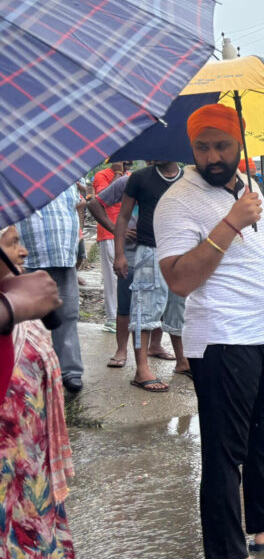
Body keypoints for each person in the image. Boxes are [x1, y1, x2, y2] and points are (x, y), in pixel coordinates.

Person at [156, 103, 264, 559]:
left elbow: (263, 264)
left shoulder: (250, 186)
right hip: (223, 340)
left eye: (222, 145)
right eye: (203, 146)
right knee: (225, 453)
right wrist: (231, 223)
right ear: (191, 147)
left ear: (240, 141)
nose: (213, 155)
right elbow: (180, 279)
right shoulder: (178, 201)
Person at [0, 224, 76, 559]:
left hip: (27, 504)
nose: (25, 250)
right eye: (12, 242)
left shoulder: (27, 319)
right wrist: (10, 306)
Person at [114, 160, 188, 391]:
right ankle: (141, 369)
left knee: (180, 306)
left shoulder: (188, 178)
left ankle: (182, 361)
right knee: (144, 308)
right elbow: (124, 216)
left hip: (181, 250)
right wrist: (119, 255)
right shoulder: (140, 177)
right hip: (149, 250)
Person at [14, 187, 84, 394]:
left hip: (62, 256)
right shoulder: (17, 182)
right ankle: (26, 371)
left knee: (68, 314)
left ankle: (70, 371)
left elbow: (78, 204)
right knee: (26, 321)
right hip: (29, 257)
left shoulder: (65, 181)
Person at [90, 172, 139, 369]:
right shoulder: (128, 181)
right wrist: (116, 230)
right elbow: (94, 203)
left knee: (156, 303)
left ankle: (154, 345)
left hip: (159, 248)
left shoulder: (175, 181)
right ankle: (121, 349)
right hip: (131, 248)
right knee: (125, 299)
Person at [90, 161, 128, 332]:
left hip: (127, 233)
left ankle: (125, 314)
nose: (128, 163)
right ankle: (112, 318)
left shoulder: (131, 177)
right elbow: (104, 198)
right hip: (108, 231)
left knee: (127, 276)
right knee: (112, 278)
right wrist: (118, 175)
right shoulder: (102, 176)